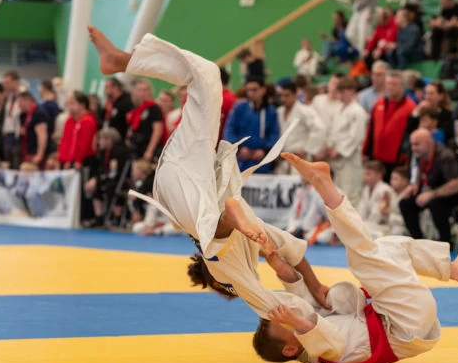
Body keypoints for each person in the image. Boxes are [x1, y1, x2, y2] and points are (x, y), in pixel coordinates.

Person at [88, 26, 331, 315]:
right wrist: (315, 287)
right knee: (207, 76)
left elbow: (270, 307)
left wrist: (309, 335)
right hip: (193, 175)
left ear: (217, 285)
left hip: (182, 187)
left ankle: (122, 62)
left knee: (216, 233)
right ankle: (122, 61)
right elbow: (294, 251)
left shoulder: (227, 268)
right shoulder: (249, 247)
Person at [253, 152, 458, 363]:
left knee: (388, 247)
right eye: (286, 323)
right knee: (362, 257)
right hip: (404, 322)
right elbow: (328, 339)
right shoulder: (320, 356)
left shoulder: (310, 330)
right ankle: (322, 182)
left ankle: (449, 268)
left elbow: (301, 294)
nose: (290, 317)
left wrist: (276, 264)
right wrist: (297, 322)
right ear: (290, 350)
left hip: (401, 315)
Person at [399, 129, 458, 243]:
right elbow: (420, 172)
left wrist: (431, 194)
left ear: (428, 142)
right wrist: (414, 185)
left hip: (457, 193)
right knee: (405, 203)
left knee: (436, 204)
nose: (413, 148)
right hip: (433, 190)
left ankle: (446, 242)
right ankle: (418, 242)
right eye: (412, 144)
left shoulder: (445, 156)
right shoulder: (421, 155)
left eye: (417, 144)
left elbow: (456, 185)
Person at [223, 75, 280, 173]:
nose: (251, 93)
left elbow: (274, 134)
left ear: (263, 90)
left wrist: (265, 150)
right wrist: (239, 148)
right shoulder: (239, 108)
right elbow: (229, 130)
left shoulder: (271, 111)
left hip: (262, 161)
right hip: (241, 160)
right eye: (248, 90)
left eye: (254, 90)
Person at [326, 76, 368, 206]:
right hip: (337, 159)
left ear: (352, 92)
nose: (341, 96)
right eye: (339, 92)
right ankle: (341, 225)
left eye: (344, 92)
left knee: (351, 195)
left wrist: (340, 151)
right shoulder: (339, 108)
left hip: (351, 158)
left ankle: (352, 226)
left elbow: (356, 136)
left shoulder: (358, 111)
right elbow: (333, 131)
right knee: (339, 194)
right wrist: (330, 147)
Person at [275, 81, 326, 174]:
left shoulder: (305, 111)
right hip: (283, 159)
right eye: (281, 95)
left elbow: (319, 130)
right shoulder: (279, 112)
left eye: (287, 95)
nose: (283, 99)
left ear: (295, 95)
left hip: (300, 157)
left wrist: (307, 150)